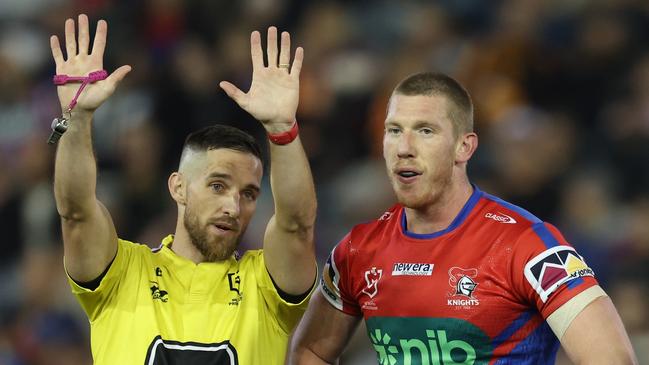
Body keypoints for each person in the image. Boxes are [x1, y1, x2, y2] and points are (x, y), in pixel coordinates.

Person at [290, 72, 638, 364]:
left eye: (425, 131)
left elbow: (611, 358)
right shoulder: (357, 250)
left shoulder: (525, 244)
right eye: (394, 130)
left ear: (464, 147)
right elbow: (311, 350)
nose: (404, 147)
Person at [51, 14, 317, 364]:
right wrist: (78, 118)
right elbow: (75, 211)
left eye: (249, 194)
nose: (233, 207)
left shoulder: (265, 285)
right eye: (218, 185)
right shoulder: (122, 273)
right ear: (178, 187)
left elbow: (296, 224)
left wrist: (283, 129)